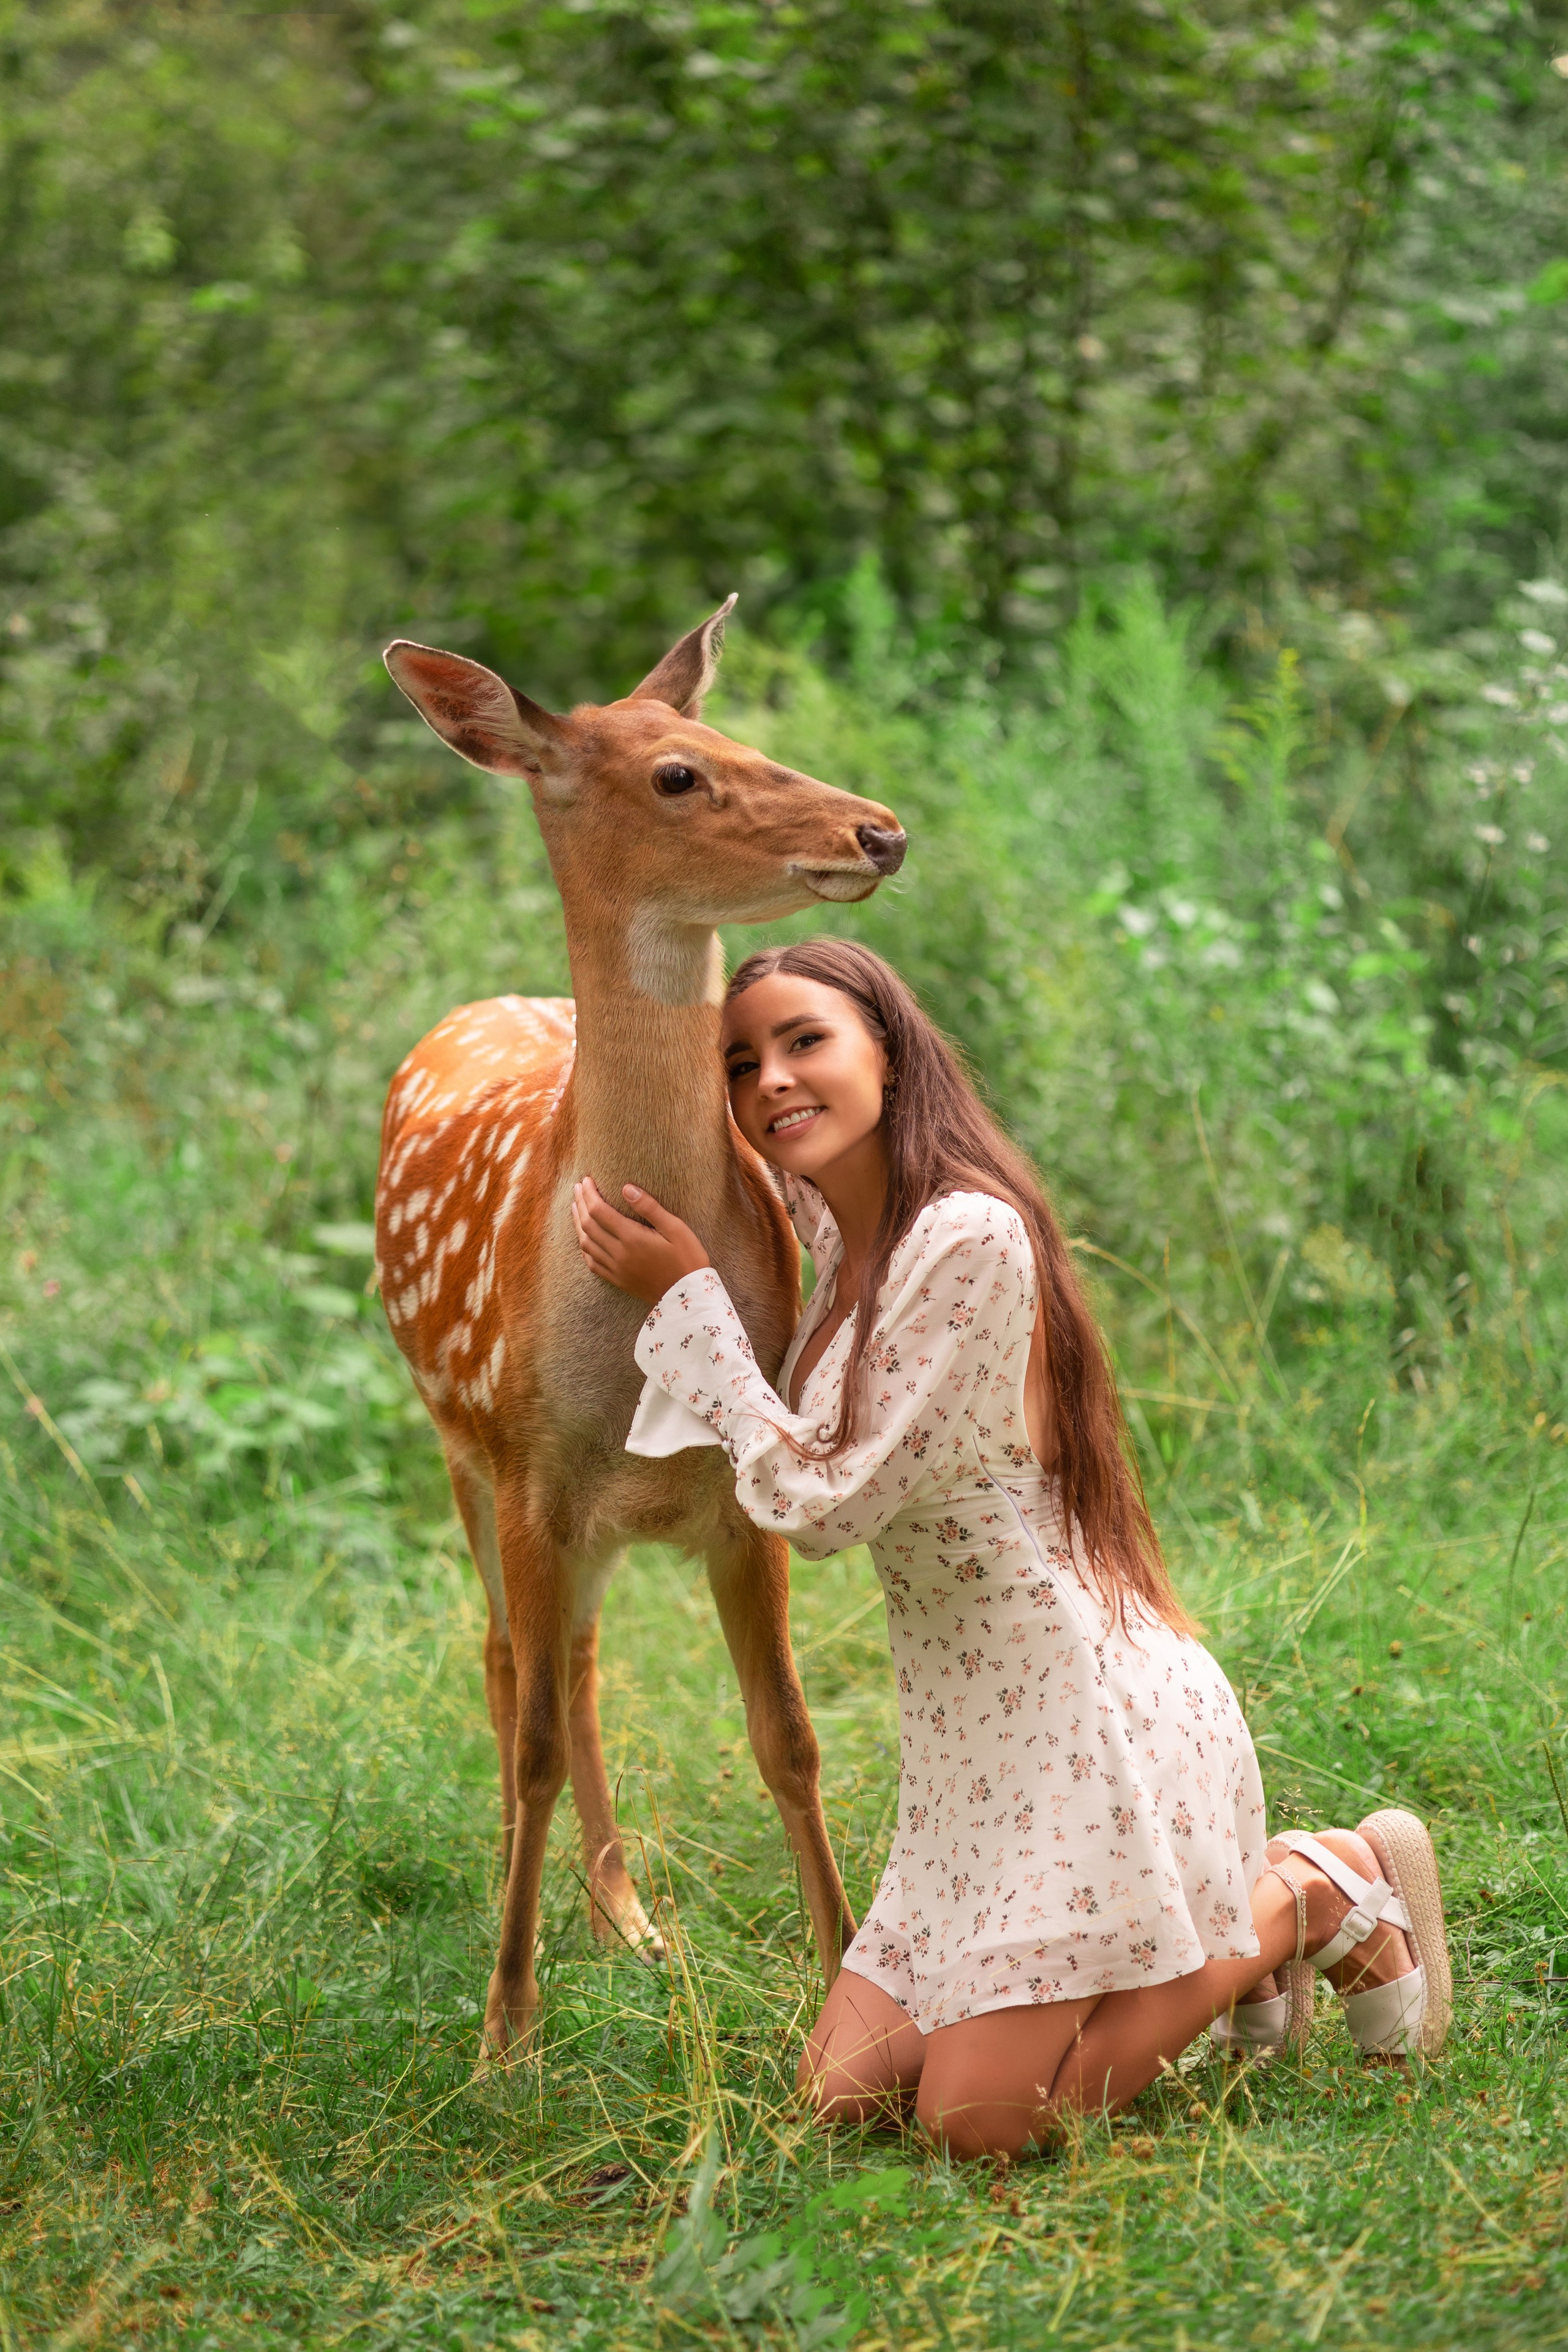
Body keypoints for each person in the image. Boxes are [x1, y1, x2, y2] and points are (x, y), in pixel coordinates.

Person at [571, 940, 1450, 2159]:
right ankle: (1197, 1946)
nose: (769, 1078)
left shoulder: (969, 1239)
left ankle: (1308, 1890)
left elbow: (825, 1507)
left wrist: (689, 1309)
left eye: (803, 1042)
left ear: (885, 1048)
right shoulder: (837, 1248)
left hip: (1081, 1723)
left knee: (976, 2124)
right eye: (740, 1063)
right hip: (970, 1756)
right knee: (838, 2099)